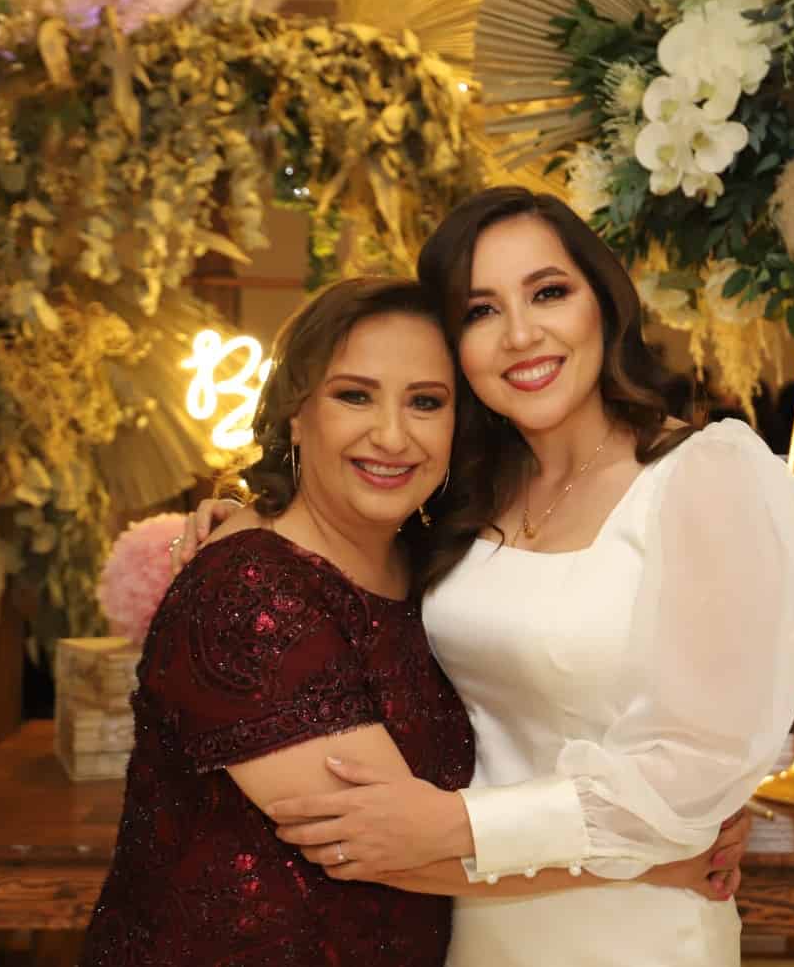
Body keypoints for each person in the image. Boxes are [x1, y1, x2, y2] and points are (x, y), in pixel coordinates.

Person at [181, 187, 794, 966]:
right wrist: (250, 521)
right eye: (481, 311)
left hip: (632, 930)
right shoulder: (464, 487)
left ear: (604, 303)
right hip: (466, 920)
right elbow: (346, 559)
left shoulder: (708, 477)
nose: (521, 335)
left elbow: (693, 767)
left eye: (548, 292)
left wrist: (460, 825)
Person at [84, 279, 741, 967]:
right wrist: (653, 857)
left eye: (426, 402)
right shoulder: (247, 591)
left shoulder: (436, 565)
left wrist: (671, 804)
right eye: (354, 396)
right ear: (295, 414)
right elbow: (387, 846)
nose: (392, 436)